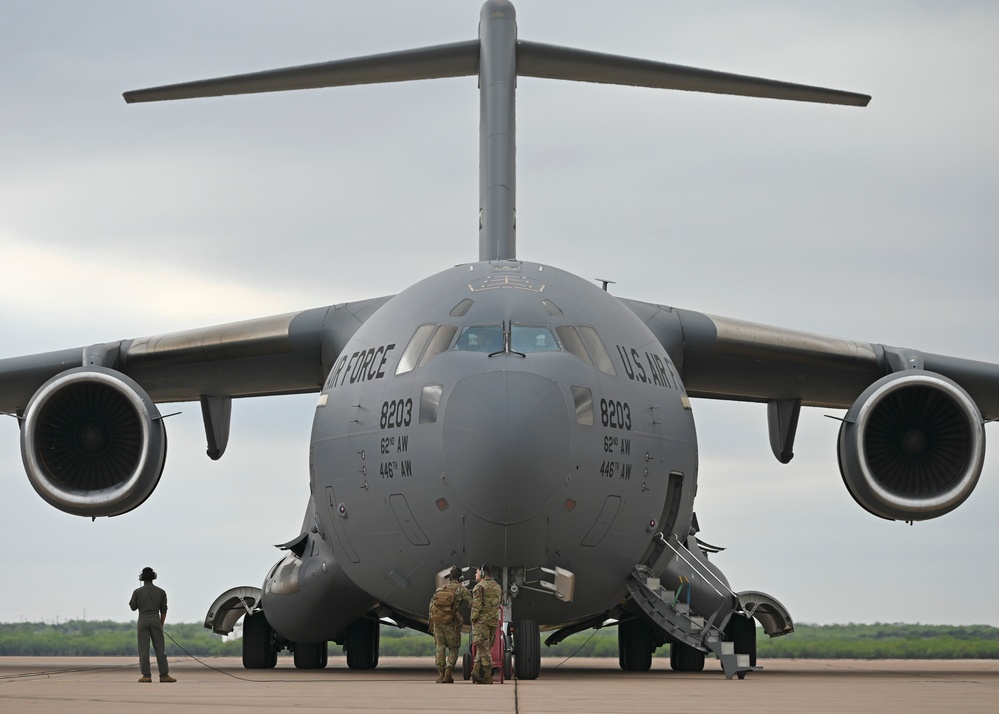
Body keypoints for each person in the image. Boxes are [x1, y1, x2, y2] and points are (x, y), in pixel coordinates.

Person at [129, 567, 175, 683]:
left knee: (143, 648)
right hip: (155, 619)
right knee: (160, 648)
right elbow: (164, 610)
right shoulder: (161, 592)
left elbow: (133, 607)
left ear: (142, 578)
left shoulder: (137, 592)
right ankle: (164, 675)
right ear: (154, 577)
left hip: (143, 619)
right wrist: (161, 624)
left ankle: (146, 675)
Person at [428, 566, 472, 683]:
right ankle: (448, 671)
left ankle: (441, 674)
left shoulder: (440, 589)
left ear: (450, 577)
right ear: (460, 578)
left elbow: (431, 606)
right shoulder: (461, 590)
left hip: (437, 621)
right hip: (450, 622)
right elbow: (472, 603)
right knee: (453, 648)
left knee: (440, 647)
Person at [470, 564, 502, 684]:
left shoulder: (479, 587)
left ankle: (488, 675)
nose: (475, 574)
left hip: (481, 622)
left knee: (483, 647)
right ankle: (476, 670)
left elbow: (476, 606)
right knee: (485, 647)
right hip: (493, 622)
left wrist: (473, 619)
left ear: (483, 574)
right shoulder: (497, 586)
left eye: (477, 572)